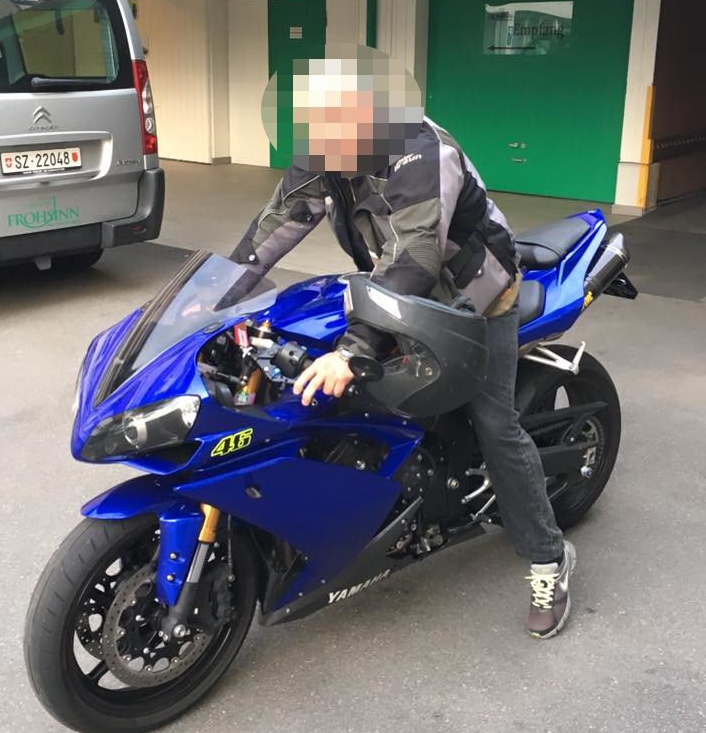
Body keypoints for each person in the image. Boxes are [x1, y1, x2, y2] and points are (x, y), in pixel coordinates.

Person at [230, 47, 575, 639]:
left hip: (473, 291)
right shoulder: (324, 154)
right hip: (393, 287)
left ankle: (549, 558)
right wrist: (208, 298)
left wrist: (354, 349)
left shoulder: (420, 151)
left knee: (494, 423)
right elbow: (270, 233)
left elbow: (416, 255)